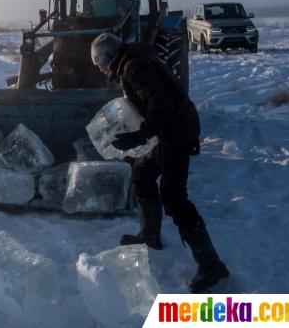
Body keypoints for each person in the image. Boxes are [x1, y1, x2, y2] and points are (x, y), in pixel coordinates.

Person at [90, 33, 229, 293]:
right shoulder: (132, 61)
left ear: (108, 58)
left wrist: (139, 135)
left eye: (98, 63)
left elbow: (162, 103)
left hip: (176, 133)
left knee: (174, 198)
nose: (99, 69)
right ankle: (149, 234)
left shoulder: (133, 67)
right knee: (142, 175)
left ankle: (211, 266)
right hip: (169, 131)